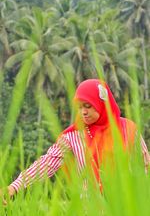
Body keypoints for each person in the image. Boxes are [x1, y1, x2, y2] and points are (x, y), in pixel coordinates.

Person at [2, 79, 150, 198]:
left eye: (88, 106)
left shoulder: (127, 128)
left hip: (127, 207)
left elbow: (145, 164)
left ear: (102, 104)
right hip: (91, 211)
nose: (83, 112)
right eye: (79, 107)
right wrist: (15, 186)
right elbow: (47, 163)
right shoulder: (73, 136)